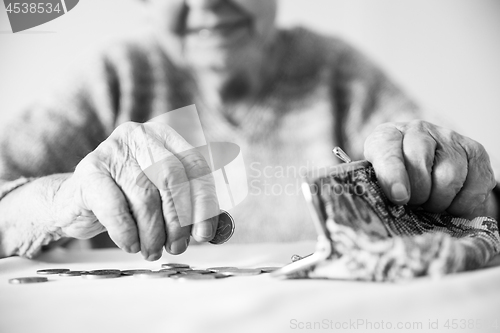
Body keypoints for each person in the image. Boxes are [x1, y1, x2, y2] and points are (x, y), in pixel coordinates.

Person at [0, 0, 497, 260]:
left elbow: (470, 197)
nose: (208, 1)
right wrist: (55, 205)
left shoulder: (340, 74)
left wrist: (458, 181)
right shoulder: (114, 78)